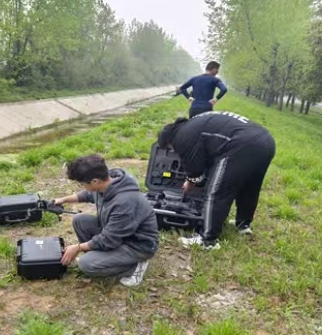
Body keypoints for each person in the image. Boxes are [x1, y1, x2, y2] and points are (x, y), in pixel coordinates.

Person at [158, 111, 276, 250]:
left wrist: (191, 180)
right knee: (249, 187)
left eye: (170, 147)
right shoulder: (193, 124)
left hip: (241, 144)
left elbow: (195, 168)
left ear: (169, 139)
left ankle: (207, 240)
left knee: (216, 192)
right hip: (266, 141)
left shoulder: (181, 136)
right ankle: (243, 225)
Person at [52, 155, 160, 287]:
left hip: (137, 245)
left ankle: (134, 266)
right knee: (80, 220)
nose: (82, 186)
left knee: (86, 264)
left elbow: (109, 239)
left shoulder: (125, 201)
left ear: (95, 181)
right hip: (118, 234)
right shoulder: (105, 183)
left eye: (83, 184)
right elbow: (86, 195)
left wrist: (78, 247)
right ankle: (105, 258)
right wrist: (62, 200)